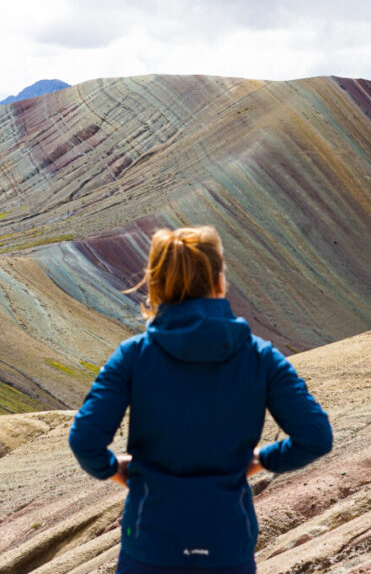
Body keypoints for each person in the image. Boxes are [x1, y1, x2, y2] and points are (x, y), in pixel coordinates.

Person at [68, 226, 332, 574]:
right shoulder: (260, 357)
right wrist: (261, 459)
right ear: (219, 280)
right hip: (226, 547)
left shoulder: (133, 356)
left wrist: (117, 471)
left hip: (150, 547)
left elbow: (85, 439)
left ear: (157, 284)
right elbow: (315, 437)